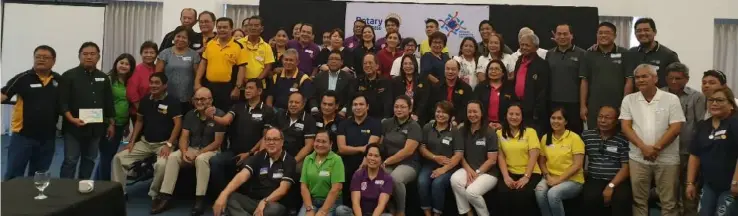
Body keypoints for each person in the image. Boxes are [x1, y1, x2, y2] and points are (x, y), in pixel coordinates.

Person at [620, 64, 685, 216]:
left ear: (655, 78)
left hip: (667, 159)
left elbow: (676, 128)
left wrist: (655, 148)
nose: (640, 80)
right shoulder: (629, 100)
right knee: (639, 200)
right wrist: (643, 148)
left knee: (668, 202)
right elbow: (626, 127)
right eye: (637, 77)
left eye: (645, 76)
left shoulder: (671, 99)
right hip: (638, 158)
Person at [152, 87, 225, 215]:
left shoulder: (219, 114)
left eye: (202, 99)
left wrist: (198, 153)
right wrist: (185, 151)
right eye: (196, 99)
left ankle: (199, 200)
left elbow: (217, 142)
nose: (199, 102)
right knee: (174, 157)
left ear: (211, 100)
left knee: (201, 160)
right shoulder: (190, 114)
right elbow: (184, 137)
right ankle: (165, 196)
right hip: (192, 148)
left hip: (211, 150)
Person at [111, 73, 182, 198]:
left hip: (164, 144)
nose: (153, 85)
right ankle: (119, 193)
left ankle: (154, 194)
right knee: (119, 158)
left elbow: (178, 124)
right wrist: (132, 141)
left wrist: (169, 144)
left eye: (157, 83)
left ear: (165, 85)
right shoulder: (145, 100)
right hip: (145, 143)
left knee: (161, 165)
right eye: (151, 82)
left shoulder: (173, 101)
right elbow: (139, 121)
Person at [1, 45, 61, 180]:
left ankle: (34, 199)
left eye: (45, 57)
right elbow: (3, 95)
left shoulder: (58, 80)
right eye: (38, 57)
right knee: (14, 174)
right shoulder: (22, 78)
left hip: (48, 137)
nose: (41, 60)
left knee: (39, 176)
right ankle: (9, 201)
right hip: (23, 136)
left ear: (53, 61)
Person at [59, 42, 115, 179]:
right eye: (85, 54)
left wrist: (111, 124)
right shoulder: (68, 76)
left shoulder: (103, 77)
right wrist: (71, 119)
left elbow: (108, 102)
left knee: (90, 159)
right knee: (70, 160)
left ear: (98, 57)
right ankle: (65, 190)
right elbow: (62, 102)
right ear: (79, 56)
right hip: (73, 127)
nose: (89, 57)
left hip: (96, 128)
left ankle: (83, 188)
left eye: (92, 54)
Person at [209, 78, 275, 193]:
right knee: (215, 161)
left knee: (247, 164)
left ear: (259, 91)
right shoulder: (237, 107)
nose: (247, 91)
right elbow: (225, 120)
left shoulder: (267, 111)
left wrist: (249, 153)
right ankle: (224, 194)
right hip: (234, 151)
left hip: (253, 153)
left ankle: (242, 197)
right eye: (246, 88)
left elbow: (265, 137)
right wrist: (212, 116)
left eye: (250, 88)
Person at [212, 128, 295, 216]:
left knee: (275, 210)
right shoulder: (260, 156)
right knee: (229, 197)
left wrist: (265, 201)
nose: (271, 143)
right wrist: (223, 194)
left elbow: (283, 190)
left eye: (275, 139)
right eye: (268, 139)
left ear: (282, 142)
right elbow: (242, 175)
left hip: (272, 203)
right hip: (253, 201)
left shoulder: (289, 161)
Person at [659, 62, 705, 216]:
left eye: (678, 78)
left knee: (689, 191)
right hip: (666, 151)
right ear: (665, 78)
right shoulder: (660, 94)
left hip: (688, 151)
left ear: (686, 79)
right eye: (670, 78)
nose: (673, 82)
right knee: (669, 192)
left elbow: (700, 125)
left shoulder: (696, 97)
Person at [686, 87, 738, 216]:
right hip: (708, 184)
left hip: (730, 186)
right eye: (711, 100)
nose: (714, 103)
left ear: (731, 105)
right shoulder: (702, 126)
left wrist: (736, 182)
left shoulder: (735, 124)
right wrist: (690, 183)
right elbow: (694, 155)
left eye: (720, 100)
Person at [580, 106, 633, 216]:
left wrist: (611, 186)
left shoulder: (623, 139)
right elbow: (578, 159)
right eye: (600, 117)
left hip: (617, 180)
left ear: (616, 121)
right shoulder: (587, 136)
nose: (603, 120)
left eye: (608, 118)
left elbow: (626, 167)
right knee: (589, 197)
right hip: (595, 178)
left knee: (622, 199)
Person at [450, 101, 499, 216]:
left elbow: (492, 160)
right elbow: (460, 155)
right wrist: (468, 170)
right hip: (469, 169)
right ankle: (468, 212)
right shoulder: (462, 130)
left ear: (482, 113)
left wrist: (477, 173)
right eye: (469, 112)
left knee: (471, 192)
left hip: (488, 173)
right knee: (455, 180)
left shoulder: (490, 132)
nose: (472, 114)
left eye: (475, 111)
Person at [580, 22, 633, 130]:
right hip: (594, 104)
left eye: (607, 33)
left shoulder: (625, 54)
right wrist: (583, 106)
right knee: (594, 134)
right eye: (600, 33)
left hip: (617, 103)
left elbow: (629, 81)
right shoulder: (588, 54)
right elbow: (584, 81)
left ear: (615, 36)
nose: (603, 35)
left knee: (619, 134)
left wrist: (625, 105)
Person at [535, 107, 585, 216]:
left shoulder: (574, 138)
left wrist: (558, 180)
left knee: (553, 194)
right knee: (539, 191)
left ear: (565, 121)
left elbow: (578, 164)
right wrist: (548, 176)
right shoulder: (545, 137)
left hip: (573, 180)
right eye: (553, 118)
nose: (555, 121)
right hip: (550, 177)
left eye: (559, 118)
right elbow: (542, 162)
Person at [497, 104, 543, 216]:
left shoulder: (530, 132)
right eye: (511, 114)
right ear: (506, 116)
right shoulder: (499, 133)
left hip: (530, 173)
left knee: (520, 196)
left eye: (517, 114)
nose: (514, 117)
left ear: (522, 117)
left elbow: (534, 155)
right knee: (503, 193)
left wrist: (526, 177)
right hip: (510, 172)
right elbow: (500, 156)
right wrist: (506, 177)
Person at [336, 94, 382, 205]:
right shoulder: (344, 124)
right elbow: (342, 149)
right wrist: (362, 148)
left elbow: (371, 150)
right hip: (345, 164)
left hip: (366, 164)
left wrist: (362, 166)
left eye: (361, 104)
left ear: (367, 107)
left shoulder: (375, 124)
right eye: (355, 104)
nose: (358, 107)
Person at [417, 101, 462, 216]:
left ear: (450, 115)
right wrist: (434, 157)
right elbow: (422, 148)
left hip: (449, 167)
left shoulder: (455, 131)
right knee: (422, 182)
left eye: (444, 112)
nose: (440, 115)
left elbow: (458, 155)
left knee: (438, 183)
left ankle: (437, 213)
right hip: (430, 164)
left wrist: (444, 169)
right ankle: (427, 213)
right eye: (438, 112)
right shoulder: (428, 127)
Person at [380, 95, 421, 216]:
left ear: (410, 109)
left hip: (409, 163)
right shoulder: (386, 123)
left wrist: (386, 162)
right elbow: (380, 144)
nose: (399, 109)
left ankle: (401, 212)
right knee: (377, 175)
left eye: (403, 107)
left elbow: (407, 151)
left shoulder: (414, 126)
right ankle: (388, 207)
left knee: (395, 178)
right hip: (387, 161)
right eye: (396, 107)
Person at [97, 53, 136, 181]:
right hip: (108, 124)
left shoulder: (130, 82)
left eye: (127, 64)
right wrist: (110, 124)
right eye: (121, 63)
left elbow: (129, 104)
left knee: (109, 155)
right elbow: (104, 103)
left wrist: (126, 125)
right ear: (116, 64)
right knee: (106, 156)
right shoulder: (108, 80)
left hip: (121, 123)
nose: (123, 66)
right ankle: (105, 186)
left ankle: (98, 183)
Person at [195, 17, 247, 111]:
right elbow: (203, 63)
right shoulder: (210, 44)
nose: (222, 30)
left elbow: (242, 68)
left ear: (231, 29)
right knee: (207, 113)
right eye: (219, 27)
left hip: (228, 88)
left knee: (225, 115)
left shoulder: (238, 46)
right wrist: (197, 82)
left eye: (225, 27)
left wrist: (237, 88)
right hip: (209, 86)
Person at [546, 24, 586, 134]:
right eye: (559, 34)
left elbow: (584, 81)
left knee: (574, 134)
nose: (562, 37)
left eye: (565, 34)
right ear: (555, 36)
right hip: (553, 102)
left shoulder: (582, 54)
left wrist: (583, 105)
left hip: (574, 104)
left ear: (571, 35)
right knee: (554, 134)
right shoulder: (549, 54)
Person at [334, 143, 393, 216]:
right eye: (370, 155)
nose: (372, 158)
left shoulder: (387, 178)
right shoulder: (358, 175)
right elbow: (356, 203)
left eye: (376, 156)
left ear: (382, 159)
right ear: (366, 156)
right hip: (359, 214)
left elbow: (381, 205)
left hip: (377, 214)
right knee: (341, 210)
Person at [298, 130, 346, 216]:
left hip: (331, 203)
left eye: (324, 142)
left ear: (331, 144)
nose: (320, 145)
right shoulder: (308, 159)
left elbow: (336, 188)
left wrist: (323, 211)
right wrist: (309, 209)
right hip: (310, 201)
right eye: (317, 141)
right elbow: (303, 186)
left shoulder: (336, 160)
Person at [512, 33, 550, 134]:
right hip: (518, 108)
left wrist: (536, 112)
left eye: (527, 45)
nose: (524, 47)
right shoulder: (519, 61)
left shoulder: (542, 64)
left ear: (536, 47)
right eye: (522, 44)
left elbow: (543, 91)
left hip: (533, 114)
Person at [156, 26, 200, 112]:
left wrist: (196, 94)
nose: (180, 39)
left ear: (189, 41)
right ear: (174, 37)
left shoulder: (194, 55)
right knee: (164, 119)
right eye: (178, 36)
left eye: (184, 37)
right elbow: (158, 75)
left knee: (185, 121)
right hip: (166, 97)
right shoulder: (165, 53)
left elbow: (197, 76)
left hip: (187, 97)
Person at [629, 18, 680, 88]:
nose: (643, 33)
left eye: (646, 30)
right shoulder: (631, 53)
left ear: (654, 32)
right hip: (635, 97)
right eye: (639, 31)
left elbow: (678, 80)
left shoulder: (669, 55)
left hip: (660, 97)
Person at [271, 92, 317, 168]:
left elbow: (309, 145)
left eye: (297, 102)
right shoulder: (280, 115)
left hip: (297, 159)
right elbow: (269, 136)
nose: (293, 105)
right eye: (291, 102)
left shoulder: (309, 120)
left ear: (303, 105)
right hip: (275, 156)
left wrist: (293, 161)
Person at [474, 59, 517, 130]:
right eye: (491, 69)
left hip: (506, 126)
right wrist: (486, 123)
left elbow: (515, 108)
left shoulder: (510, 88)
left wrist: (503, 124)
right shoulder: (480, 87)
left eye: (497, 69)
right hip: (483, 125)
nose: (493, 71)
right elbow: (475, 108)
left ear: (503, 73)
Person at [311, 50, 356, 117]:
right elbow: (313, 95)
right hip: (320, 113)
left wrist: (344, 110)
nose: (333, 61)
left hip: (341, 114)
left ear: (342, 62)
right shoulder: (319, 77)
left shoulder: (349, 78)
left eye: (337, 59)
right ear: (327, 62)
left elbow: (351, 97)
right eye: (331, 59)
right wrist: (314, 108)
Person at [391, 54, 432, 125]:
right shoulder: (396, 81)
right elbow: (393, 99)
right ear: (402, 66)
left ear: (415, 65)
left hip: (418, 117)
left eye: (411, 64)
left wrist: (416, 114)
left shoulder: (423, 80)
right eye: (405, 64)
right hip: (399, 115)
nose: (408, 66)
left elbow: (424, 100)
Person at [432, 59, 474, 125]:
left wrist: (457, 120)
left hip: (459, 122)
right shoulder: (436, 86)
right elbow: (432, 106)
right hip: (439, 119)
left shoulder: (466, 88)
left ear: (458, 71)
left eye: (453, 69)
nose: (450, 71)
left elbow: (466, 108)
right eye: (447, 69)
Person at [354, 53, 393, 119]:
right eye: (365, 63)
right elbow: (352, 102)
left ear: (377, 66)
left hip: (380, 119)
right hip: (361, 118)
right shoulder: (356, 81)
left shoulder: (386, 82)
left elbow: (388, 103)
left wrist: (386, 118)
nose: (367, 65)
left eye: (370, 63)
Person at [127, 41, 159, 120]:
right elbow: (132, 93)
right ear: (141, 54)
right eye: (146, 52)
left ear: (156, 55)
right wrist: (142, 111)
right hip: (139, 112)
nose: (148, 55)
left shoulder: (158, 69)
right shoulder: (136, 70)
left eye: (152, 53)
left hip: (156, 110)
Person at [239, 16, 275, 80]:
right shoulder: (239, 43)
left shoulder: (266, 46)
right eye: (250, 25)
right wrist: (243, 79)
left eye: (256, 25)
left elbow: (268, 66)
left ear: (262, 29)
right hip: (240, 83)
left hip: (259, 84)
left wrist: (256, 81)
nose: (253, 28)